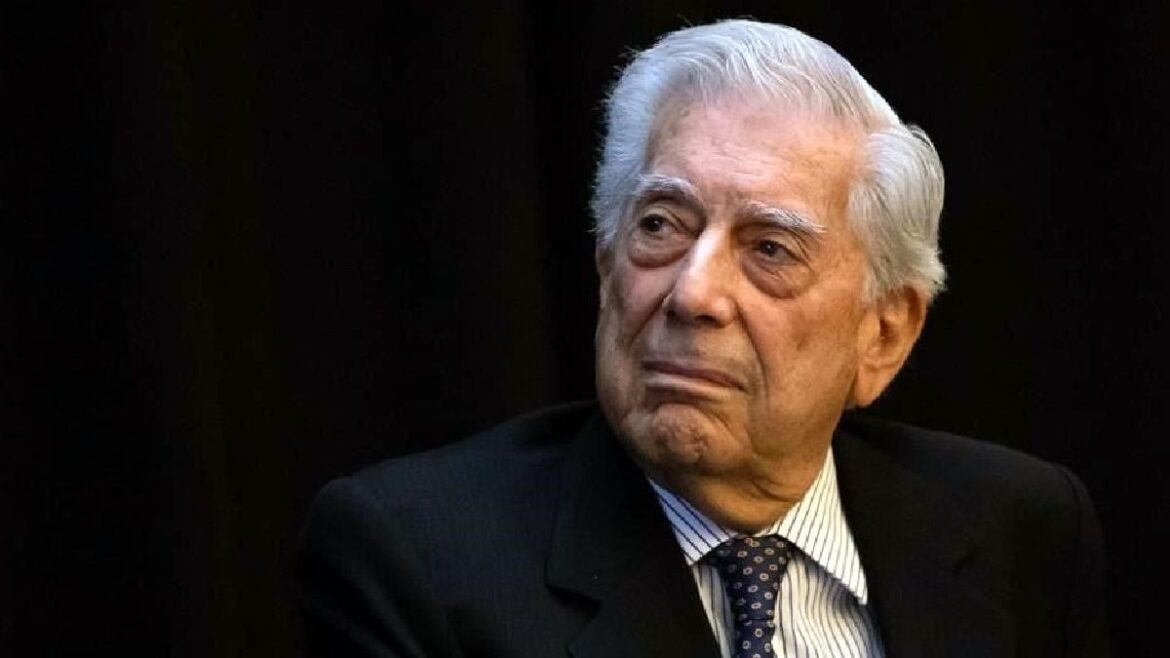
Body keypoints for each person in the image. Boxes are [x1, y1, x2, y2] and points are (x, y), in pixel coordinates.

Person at [296, 20, 1109, 657]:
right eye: (661, 226)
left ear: (883, 334)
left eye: (770, 250)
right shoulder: (417, 560)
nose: (693, 293)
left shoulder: (1022, 530)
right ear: (607, 263)